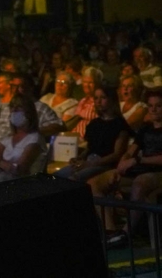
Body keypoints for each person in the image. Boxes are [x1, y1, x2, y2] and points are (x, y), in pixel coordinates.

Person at [91, 90, 162, 247]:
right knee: (94, 183)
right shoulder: (145, 129)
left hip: (157, 172)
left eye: (158, 106)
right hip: (138, 168)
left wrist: (137, 160)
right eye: (150, 106)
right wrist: (121, 165)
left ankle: (126, 233)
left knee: (140, 182)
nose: (153, 109)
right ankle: (111, 232)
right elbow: (130, 151)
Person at [55, 86, 129, 183]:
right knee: (56, 176)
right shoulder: (94, 123)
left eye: (103, 98)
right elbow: (90, 147)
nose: (98, 101)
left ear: (112, 100)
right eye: (96, 98)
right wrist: (79, 158)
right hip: (90, 160)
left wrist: (90, 163)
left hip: (105, 164)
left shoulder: (120, 125)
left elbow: (117, 154)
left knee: (74, 179)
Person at [0, 95, 44, 184]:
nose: (14, 110)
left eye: (19, 107)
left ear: (29, 113)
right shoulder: (8, 138)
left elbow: (20, 169)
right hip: (3, 181)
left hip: (23, 184)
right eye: (12, 107)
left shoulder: (35, 138)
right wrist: (5, 164)